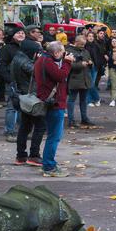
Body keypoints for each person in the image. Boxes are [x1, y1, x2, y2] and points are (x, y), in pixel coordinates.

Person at [36, 41, 73, 177]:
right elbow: (60, 76)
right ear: (56, 53)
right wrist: (68, 62)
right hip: (54, 102)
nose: (64, 55)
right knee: (54, 136)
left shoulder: (43, 59)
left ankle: (48, 163)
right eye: (63, 53)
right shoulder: (48, 61)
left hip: (49, 100)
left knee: (53, 135)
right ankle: (49, 166)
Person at [11, 39, 46, 166]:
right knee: (40, 126)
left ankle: (21, 155)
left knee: (24, 127)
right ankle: (34, 155)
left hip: (22, 97)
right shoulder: (25, 62)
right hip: (31, 99)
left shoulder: (17, 58)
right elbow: (38, 73)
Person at [0, 27, 25, 142]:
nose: (21, 34)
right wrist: (9, 79)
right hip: (12, 81)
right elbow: (2, 66)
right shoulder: (7, 48)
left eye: (23, 32)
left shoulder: (26, 47)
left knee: (23, 107)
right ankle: (9, 131)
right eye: (18, 32)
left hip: (24, 82)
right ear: (13, 35)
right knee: (12, 107)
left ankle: (21, 131)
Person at [65, 35, 94, 128]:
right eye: (81, 44)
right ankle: (71, 120)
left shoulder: (86, 51)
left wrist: (90, 63)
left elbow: (90, 61)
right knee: (71, 100)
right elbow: (69, 65)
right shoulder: (69, 51)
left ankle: (84, 118)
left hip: (85, 79)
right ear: (76, 42)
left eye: (84, 44)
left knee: (84, 100)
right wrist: (81, 64)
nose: (83, 46)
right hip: (75, 79)